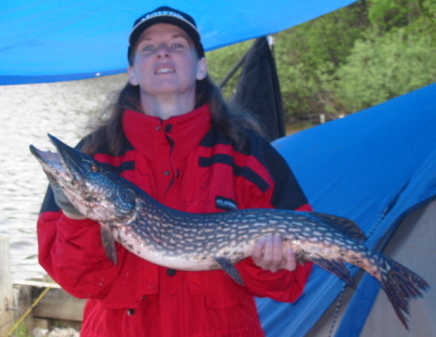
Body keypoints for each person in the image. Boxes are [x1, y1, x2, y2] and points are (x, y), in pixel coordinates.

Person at [37, 6, 313, 337]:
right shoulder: (95, 153)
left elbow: (289, 283)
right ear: (133, 73)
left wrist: (269, 265)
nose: (163, 52)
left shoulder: (247, 154)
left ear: (200, 68)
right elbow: (76, 281)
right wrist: (77, 217)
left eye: (178, 45)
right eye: (148, 47)